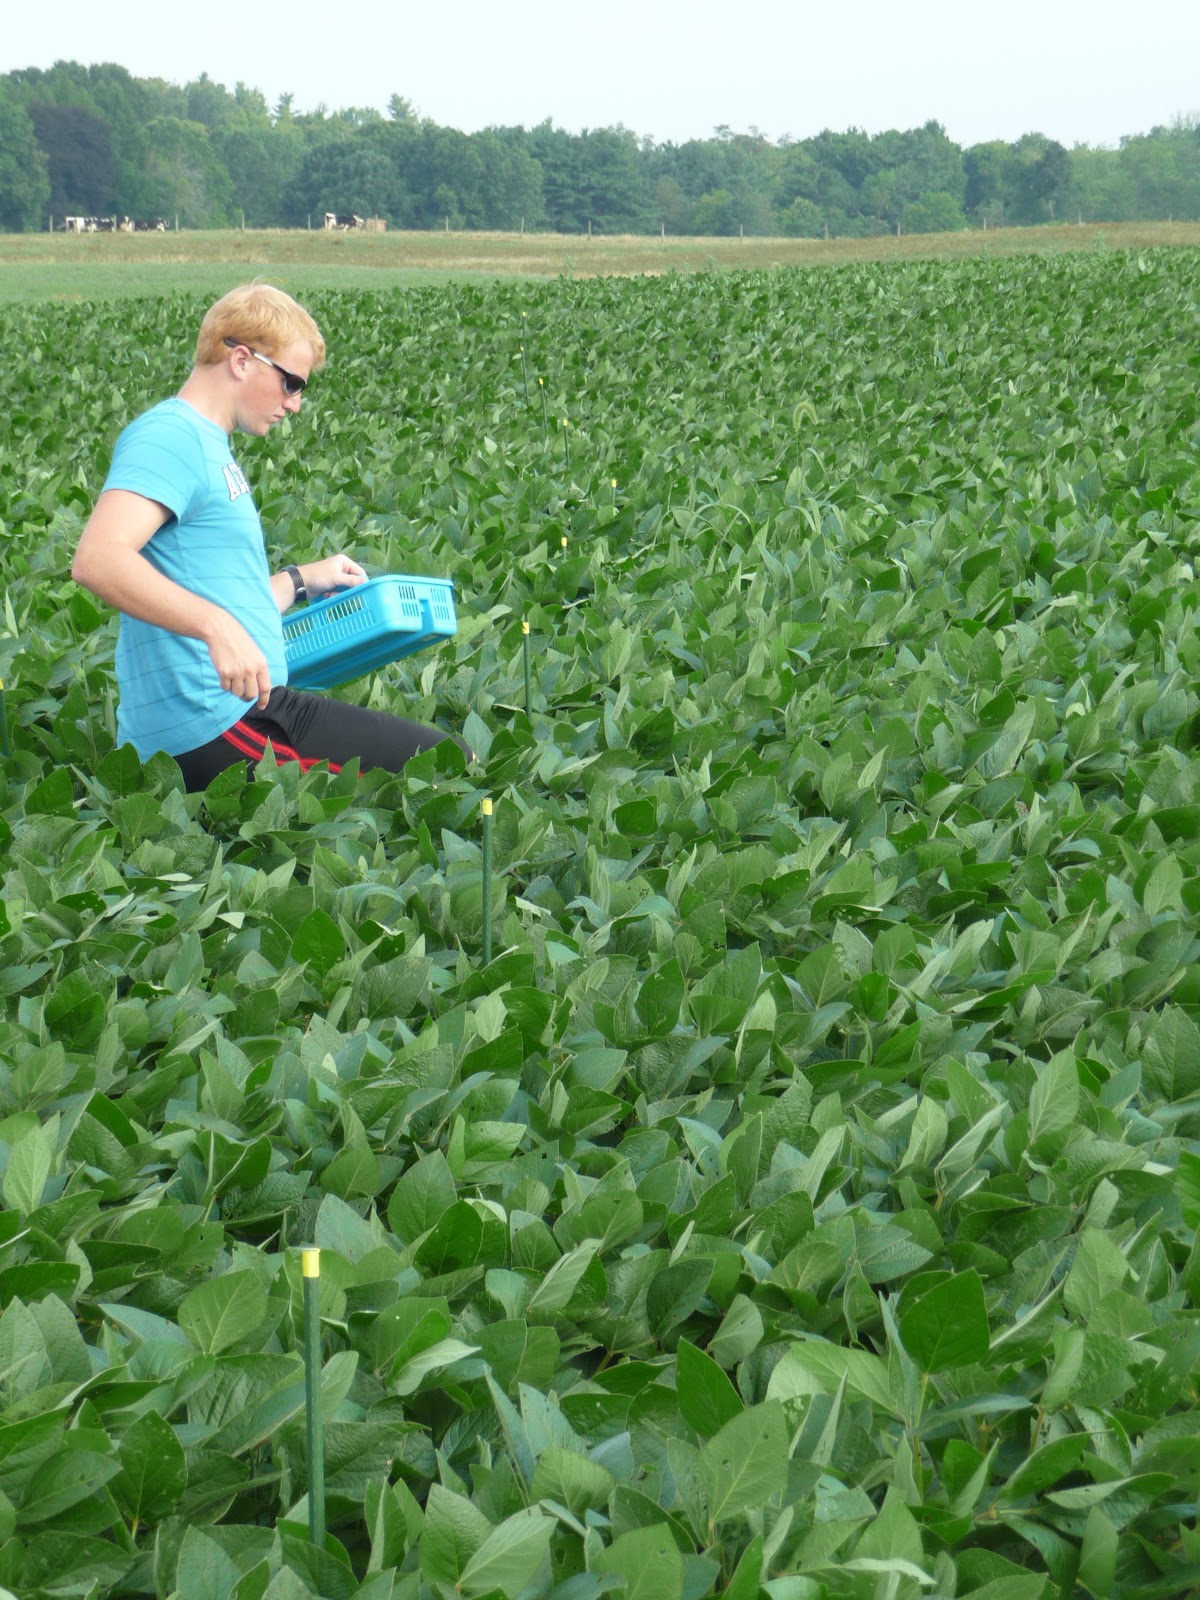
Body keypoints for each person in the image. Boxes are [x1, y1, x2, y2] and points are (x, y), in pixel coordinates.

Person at [73, 283, 464, 791]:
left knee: (443, 762)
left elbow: (209, 587)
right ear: (241, 360)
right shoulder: (170, 438)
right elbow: (98, 558)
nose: (295, 404)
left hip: (236, 714)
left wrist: (299, 581)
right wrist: (215, 627)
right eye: (291, 382)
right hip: (220, 724)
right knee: (452, 765)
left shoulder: (207, 443)